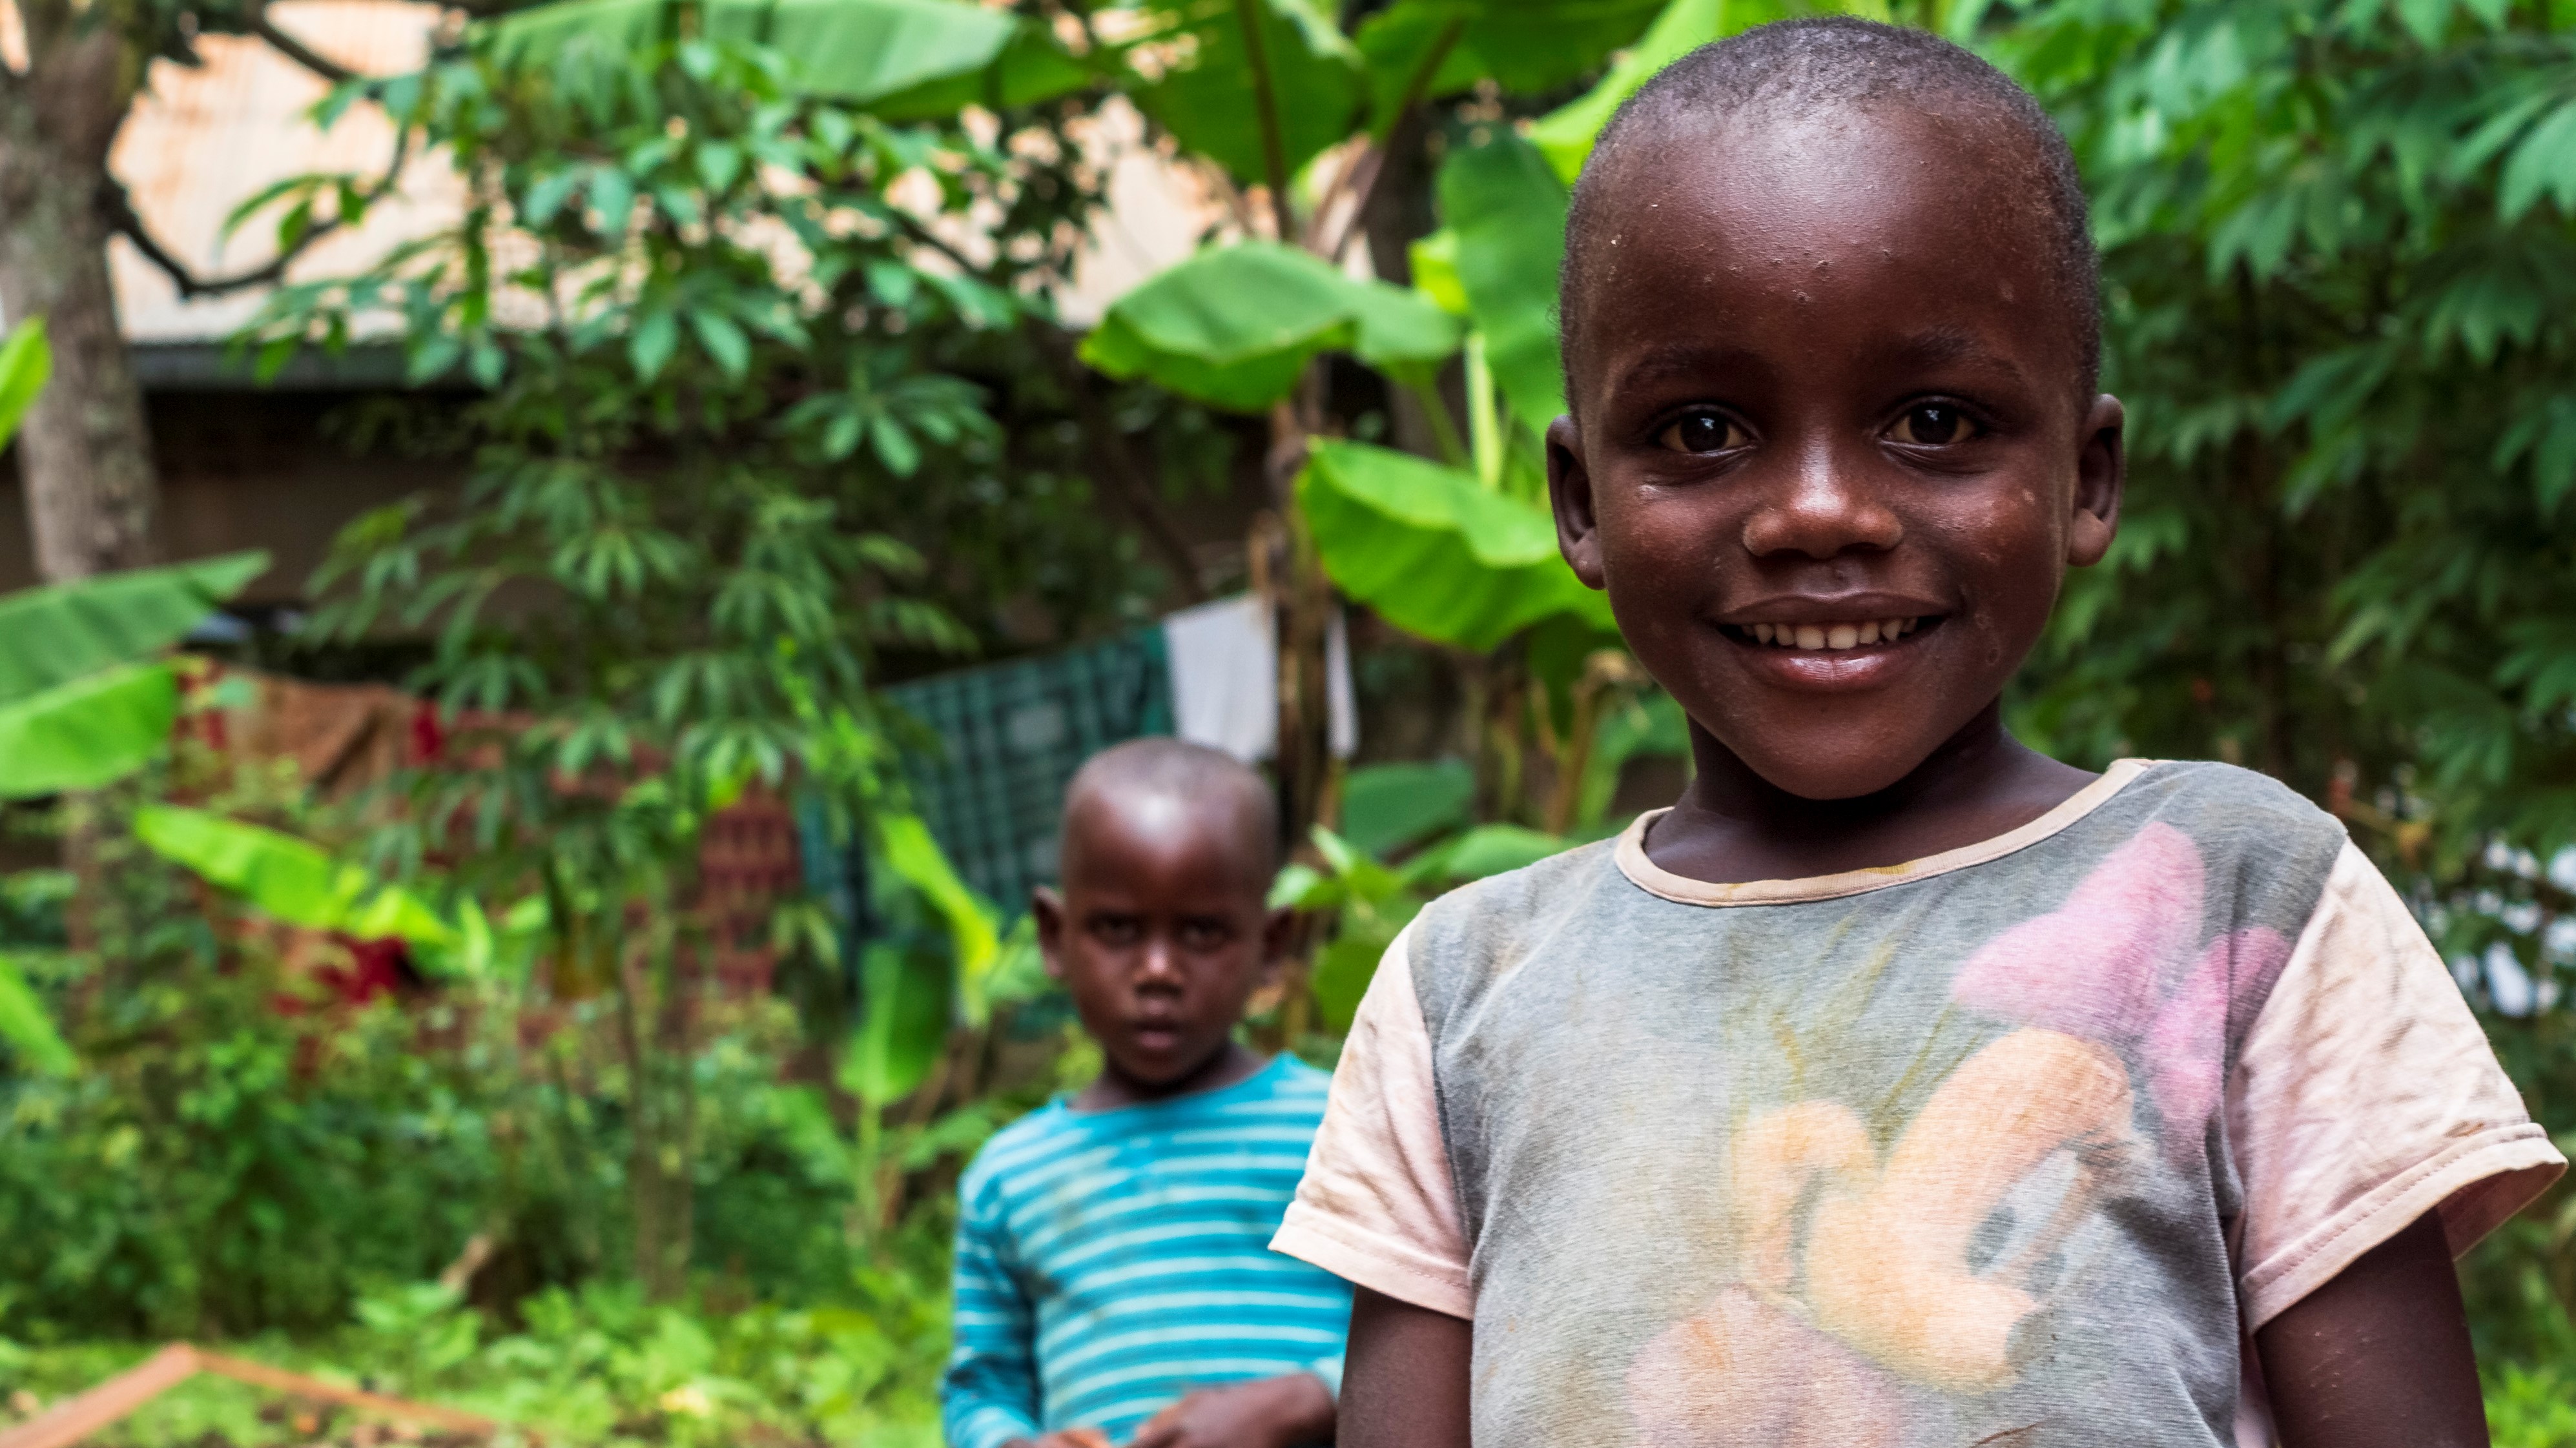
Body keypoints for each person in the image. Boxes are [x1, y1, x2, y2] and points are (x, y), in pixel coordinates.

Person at [1270, 18, 2566, 1448]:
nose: (1815, 509)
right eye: (1702, 430)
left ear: (2085, 477)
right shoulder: (1464, 988)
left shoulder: (2240, 896)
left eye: (1932, 420)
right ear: (1580, 502)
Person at [942, 738, 1345, 1448]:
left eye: (1200, 931)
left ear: (1272, 941)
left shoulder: (1342, 1128)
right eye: (1117, 929)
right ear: (1054, 936)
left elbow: (1431, 1326)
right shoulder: (1010, 1177)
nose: (1157, 969)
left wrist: (1305, 1400)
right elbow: (982, 1387)